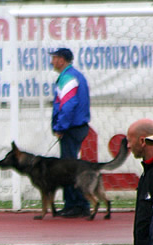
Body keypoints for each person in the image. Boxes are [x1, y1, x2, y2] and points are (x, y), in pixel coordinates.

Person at [49, 47, 91, 218]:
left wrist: (60, 127)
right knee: (71, 167)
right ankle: (77, 204)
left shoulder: (67, 77)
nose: (52, 61)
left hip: (71, 128)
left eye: (54, 58)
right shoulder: (74, 75)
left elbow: (68, 105)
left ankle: (77, 205)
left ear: (61, 60)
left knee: (68, 169)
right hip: (76, 127)